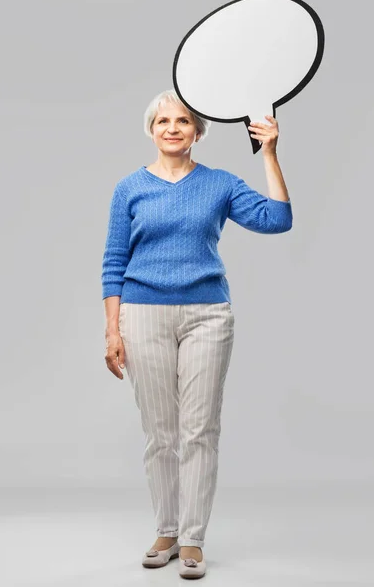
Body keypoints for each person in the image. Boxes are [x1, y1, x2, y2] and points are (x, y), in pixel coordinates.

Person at [101, 89, 292, 579]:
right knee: (160, 433)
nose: (171, 128)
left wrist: (269, 152)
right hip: (143, 314)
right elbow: (113, 263)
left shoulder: (219, 184)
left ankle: (193, 540)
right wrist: (112, 330)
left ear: (198, 132)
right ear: (151, 130)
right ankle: (165, 529)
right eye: (162, 120)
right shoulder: (129, 188)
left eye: (182, 121)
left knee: (200, 430)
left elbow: (278, 220)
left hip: (208, 314)